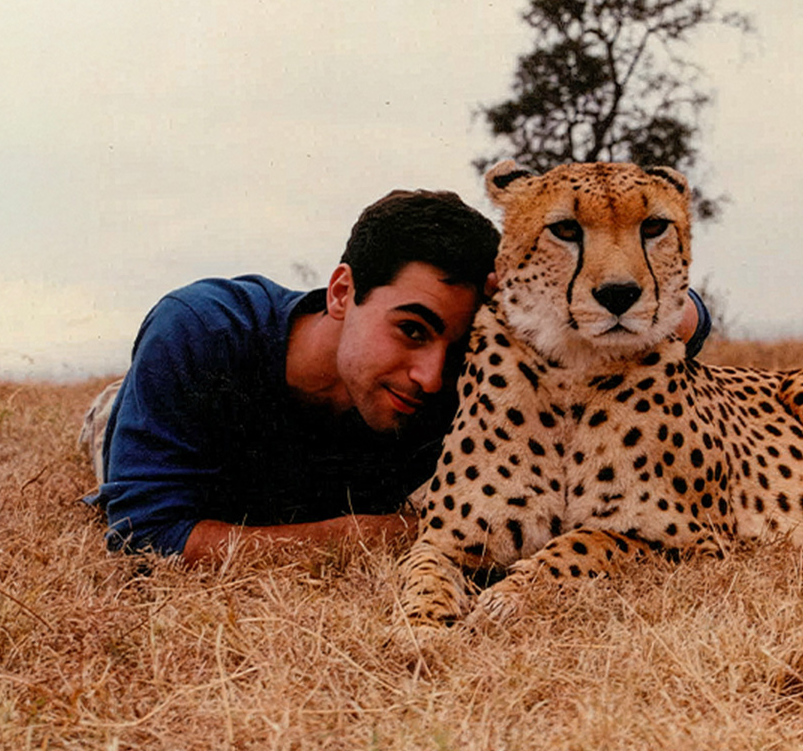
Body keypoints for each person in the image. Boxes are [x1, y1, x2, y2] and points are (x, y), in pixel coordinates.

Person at [82, 188, 711, 564]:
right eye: (411, 329)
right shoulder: (203, 332)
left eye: (454, 341)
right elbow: (145, 537)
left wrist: (546, 290)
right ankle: (114, 406)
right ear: (341, 291)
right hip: (143, 430)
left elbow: (687, 318)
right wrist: (379, 535)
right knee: (116, 426)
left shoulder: (464, 367)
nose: (432, 377)